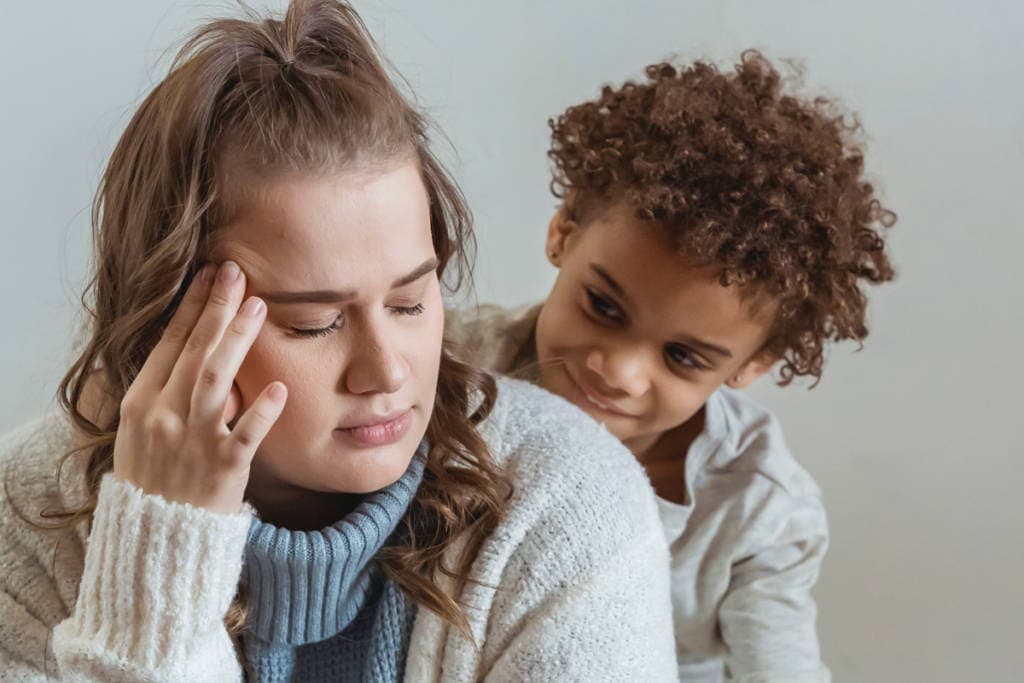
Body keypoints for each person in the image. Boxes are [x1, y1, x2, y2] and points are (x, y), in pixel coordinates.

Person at [0, 2, 677, 680]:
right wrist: (161, 550)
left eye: (411, 302)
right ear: (166, 321)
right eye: (313, 322)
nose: (386, 371)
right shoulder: (28, 515)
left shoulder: (568, 503)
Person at [448, 52, 897, 682]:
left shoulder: (758, 507)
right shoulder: (452, 365)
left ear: (753, 363)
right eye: (603, 306)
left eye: (683, 357)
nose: (620, 372)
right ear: (564, 230)